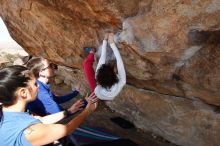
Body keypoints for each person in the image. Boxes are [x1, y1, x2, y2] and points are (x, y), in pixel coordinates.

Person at [0, 66, 96, 146]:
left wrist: (69, 111)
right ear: (23, 92)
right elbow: (67, 128)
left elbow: (41, 120)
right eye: (35, 84)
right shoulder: (30, 132)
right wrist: (87, 111)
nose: (38, 87)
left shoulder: (9, 113)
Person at [83, 33, 126, 100]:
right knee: (87, 65)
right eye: (114, 70)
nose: (114, 68)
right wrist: (112, 43)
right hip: (100, 94)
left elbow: (102, 59)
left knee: (86, 65)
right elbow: (120, 63)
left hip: (98, 92)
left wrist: (105, 41)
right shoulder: (122, 81)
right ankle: (91, 52)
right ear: (115, 76)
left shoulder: (98, 76)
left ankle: (92, 52)